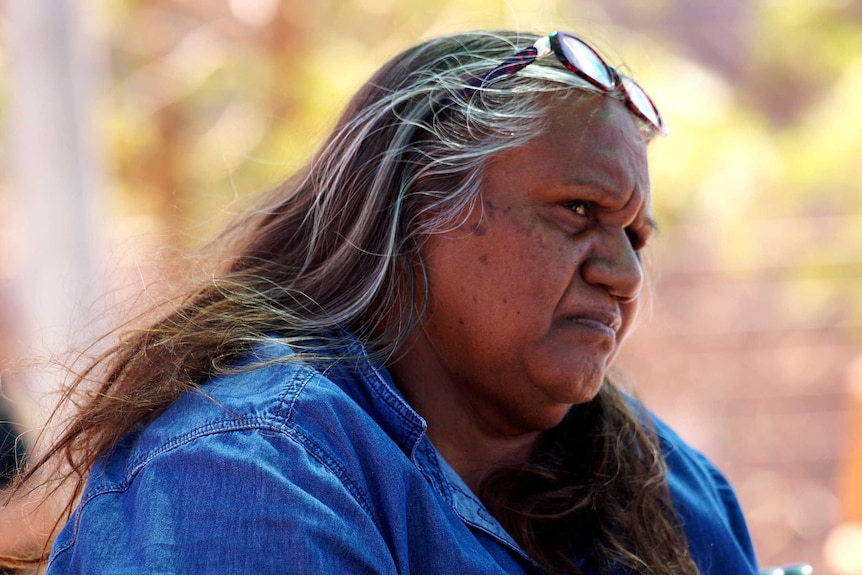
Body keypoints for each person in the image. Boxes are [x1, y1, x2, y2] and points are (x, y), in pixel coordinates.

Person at [3, 30, 760, 574]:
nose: (625, 274)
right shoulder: (247, 465)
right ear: (411, 214)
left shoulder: (664, 477)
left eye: (636, 234)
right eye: (576, 211)